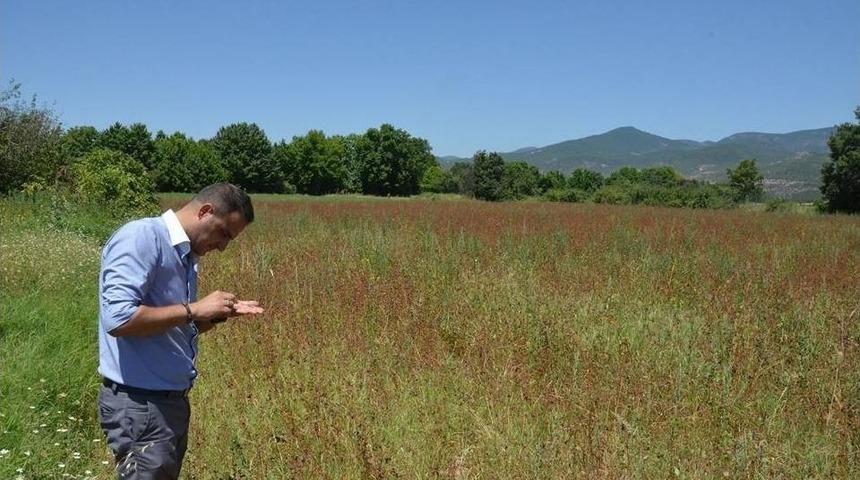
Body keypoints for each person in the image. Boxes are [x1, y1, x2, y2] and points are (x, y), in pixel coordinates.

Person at [97, 183, 264, 479]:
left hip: (167, 403)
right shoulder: (143, 237)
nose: (224, 247)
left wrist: (216, 316)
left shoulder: (186, 256)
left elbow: (170, 328)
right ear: (205, 211)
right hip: (141, 403)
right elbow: (119, 319)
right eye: (224, 233)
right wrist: (195, 309)